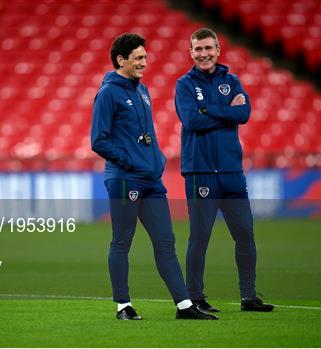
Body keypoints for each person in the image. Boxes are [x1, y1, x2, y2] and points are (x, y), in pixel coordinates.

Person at [91, 33, 217, 320]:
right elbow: (99, 140)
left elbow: (146, 135)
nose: (144, 63)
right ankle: (123, 306)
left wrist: (156, 160)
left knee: (165, 241)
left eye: (145, 57)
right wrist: (132, 162)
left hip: (150, 180)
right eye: (138, 58)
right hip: (125, 179)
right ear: (121, 60)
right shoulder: (108, 93)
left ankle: (184, 306)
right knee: (122, 241)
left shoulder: (142, 90)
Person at [174, 28, 274, 312]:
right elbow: (192, 121)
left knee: (245, 234)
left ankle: (249, 297)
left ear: (218, 49)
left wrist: (209, 111)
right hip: (200, 172)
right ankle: (195, 298)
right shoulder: (184, 85)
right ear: (190, 53)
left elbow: (243, 114)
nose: (204, 54)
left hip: (231, 171)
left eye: (208, 48)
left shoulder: (232, 81)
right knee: (200, 236)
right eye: (198, 49)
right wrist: (225, 112)